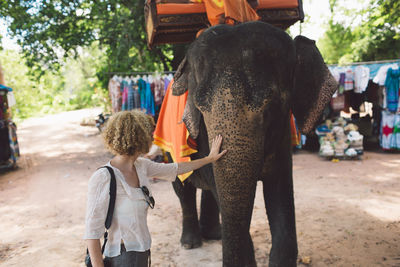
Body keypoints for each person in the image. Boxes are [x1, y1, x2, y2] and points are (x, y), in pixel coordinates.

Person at [84, 110, 227, 267]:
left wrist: (209, 158)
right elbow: (92, 233)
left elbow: (176, 168)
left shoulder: (141, 166)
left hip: (143, 252)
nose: (152, 137)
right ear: (138, 138)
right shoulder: (103, 178)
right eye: (149, 133)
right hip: (121, 256)